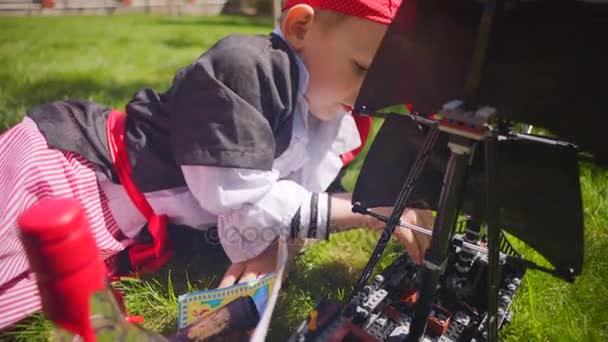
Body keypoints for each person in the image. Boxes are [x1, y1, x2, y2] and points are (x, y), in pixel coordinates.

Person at [0, 0, 433, 331]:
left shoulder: (326, 111)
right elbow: (249, 200)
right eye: (361, 68)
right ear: (301, 27)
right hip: (73, 174)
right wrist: (378, 212)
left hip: (132, 218)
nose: (365, 97)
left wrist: (271, 245)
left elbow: (288, 207)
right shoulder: (244, 68)